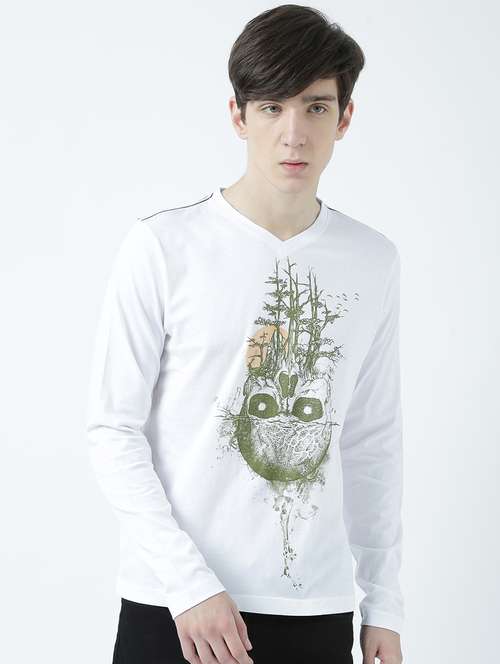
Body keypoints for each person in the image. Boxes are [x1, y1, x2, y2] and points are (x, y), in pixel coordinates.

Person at [86, 5, 405, 664]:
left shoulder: (372, 260)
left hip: (315, 611)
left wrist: (384, 604)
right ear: (238, 115)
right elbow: (113, 429)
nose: (294, 134)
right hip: (175, 607)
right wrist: (188, 584)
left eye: (316, 108)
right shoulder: (164, 247)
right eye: (271, 107)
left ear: (345, 118)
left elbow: (371, 439)